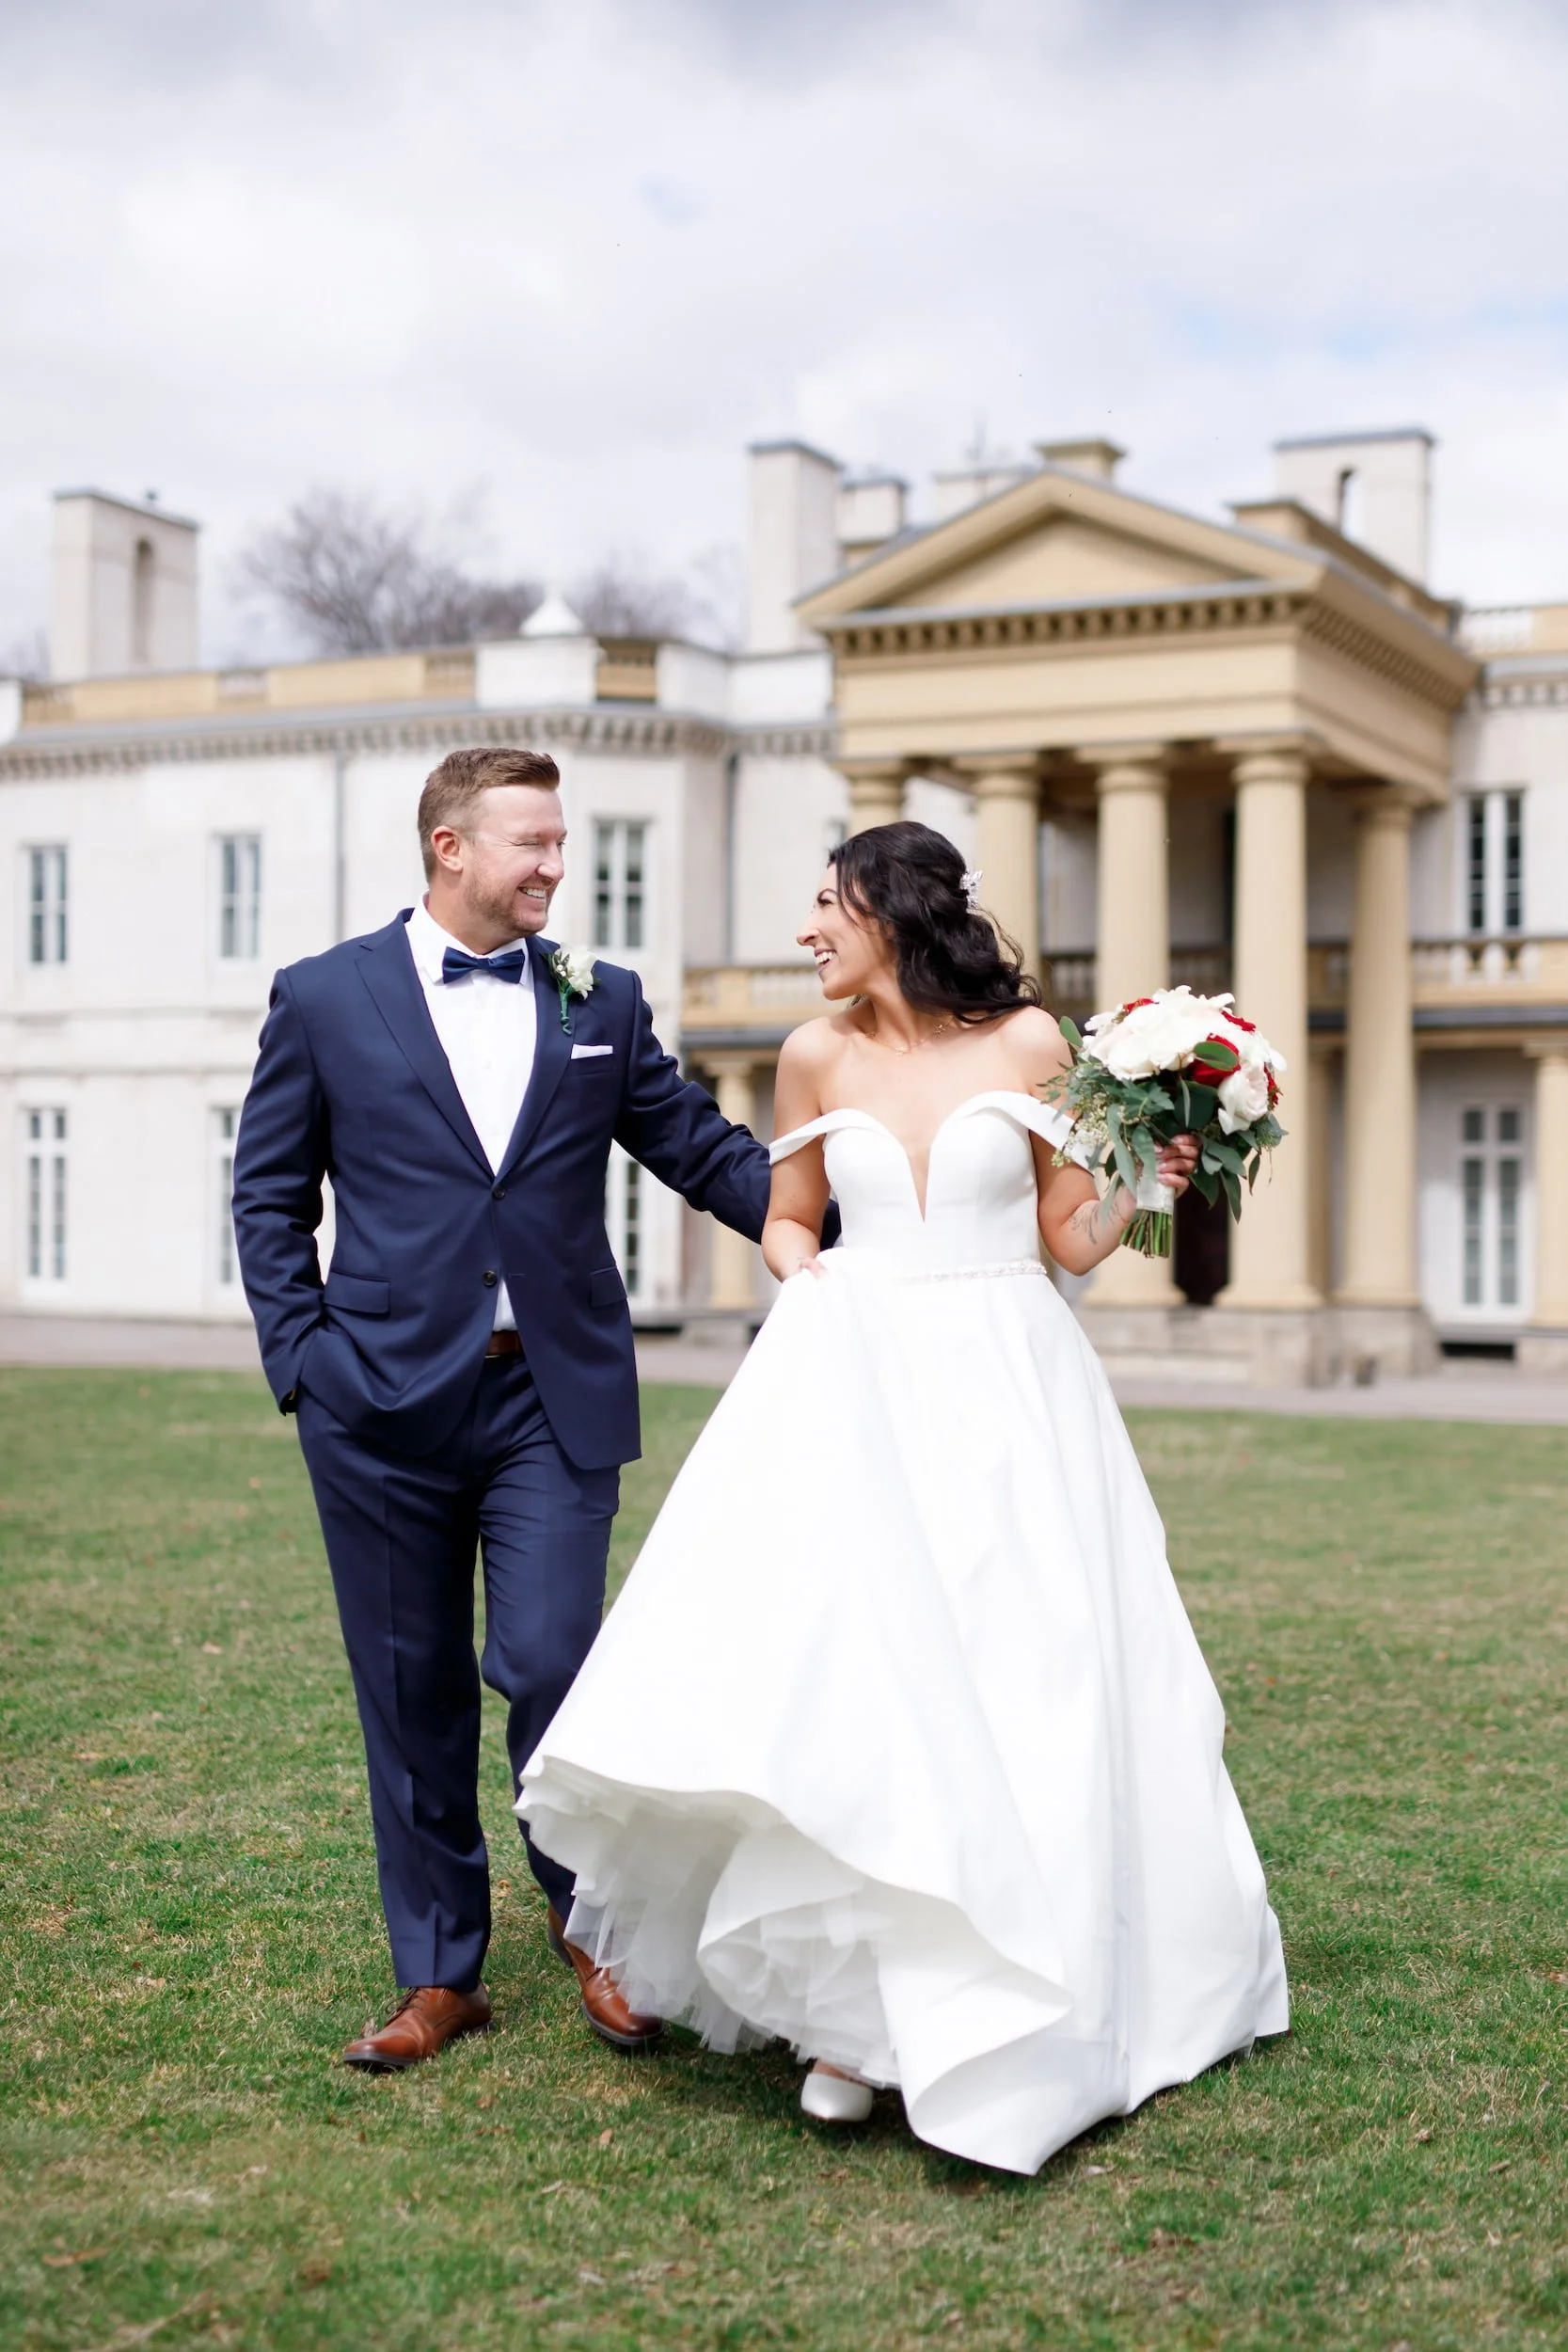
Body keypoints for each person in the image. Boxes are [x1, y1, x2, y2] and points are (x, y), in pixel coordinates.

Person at [519, 820, 1288, 2175]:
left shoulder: (1031, 1045)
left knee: (1016, 1674)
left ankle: (1003, 1997)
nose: (806, 928)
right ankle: (844, 2025)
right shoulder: (809, 1056)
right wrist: (793, 1266)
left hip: (1007, 1387)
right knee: (858, 1686)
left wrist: (1136, 1186)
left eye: (825, 904)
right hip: (851, 1384)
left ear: (891, 909)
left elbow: (1065, 1241)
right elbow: (789, 1210)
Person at [231, 744, 827, 2072]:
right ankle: (439, 1974)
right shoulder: (326, 997)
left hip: (549, 1400)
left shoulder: (598, 996)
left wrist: (867, 1203)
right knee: (412, 1688)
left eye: (561, 843)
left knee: (558, 1665)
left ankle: (597, 1936)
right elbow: (269, 1196)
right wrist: (306, 1362)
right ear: (450, 848)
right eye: (534, 845)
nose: (560, 866)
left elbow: (697, 1148)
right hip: (375, 1405)